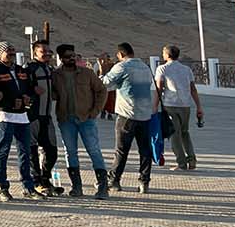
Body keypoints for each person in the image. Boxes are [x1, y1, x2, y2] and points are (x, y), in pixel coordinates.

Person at [0, 42, 45, 200]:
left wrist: (28, 97)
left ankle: (28, 186)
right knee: (3, 151)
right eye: (7, 51)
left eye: (12, 50)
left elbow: (29, 89)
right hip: (4, 115)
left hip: (22, 116)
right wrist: (8, 102)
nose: (11, 53)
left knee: (25, 151)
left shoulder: (21, 71)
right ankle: (2, 187)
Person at [51, 43, 109, 198]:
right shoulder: (56, 76)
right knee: (70, 152)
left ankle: (103, 186)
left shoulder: (87, 73)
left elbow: (102, 90)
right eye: (68, 56)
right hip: (66, 119)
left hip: (86, 118)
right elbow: (53, 94)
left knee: (94, 151)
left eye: (73, 55)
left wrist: (96, 110)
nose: (72, 58)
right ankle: (76, 186)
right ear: (61, 58)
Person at [102, 42, 155, 193]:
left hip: (127, 114)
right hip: (145, 114)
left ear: (120, 55)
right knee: (145, 150)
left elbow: (105, 83)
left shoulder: (122, 66)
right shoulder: (145, 67)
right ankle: (144, 181)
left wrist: (102, 71)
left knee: (121, 150)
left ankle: (114, 180)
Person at [156, 45, 204, 171]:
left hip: (170, 105)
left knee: (174, 135)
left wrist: (154, 107)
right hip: (185, 105)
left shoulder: (162, 69)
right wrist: (199, 106)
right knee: (185, 132)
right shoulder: (186, 69)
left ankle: (181, 163)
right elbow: (193, 89)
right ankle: (192, 160)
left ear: (167, 55)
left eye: (163, 53)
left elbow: (159, 90)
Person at [25, 40, 63, 194]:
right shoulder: (29, 68)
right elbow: (21, 86)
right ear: (35, 52)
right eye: (43, 51)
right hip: (33, 115)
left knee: (51, 150)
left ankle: (45, 179)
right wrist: (33, 89)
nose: (47, 54)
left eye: (49, 51)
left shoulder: (49, 68)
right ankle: (36, 182)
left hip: (46, 116)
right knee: (32, 150)